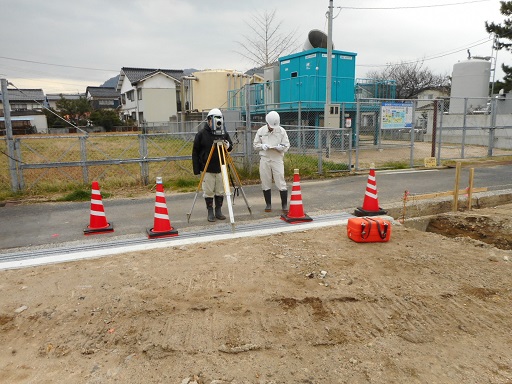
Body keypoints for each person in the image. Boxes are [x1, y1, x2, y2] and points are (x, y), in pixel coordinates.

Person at [192, 108, 233, 222]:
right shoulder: (201, 134)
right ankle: (210, 212)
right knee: (209, 191)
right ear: (209, 120)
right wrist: (197, 169)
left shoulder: (224, 133)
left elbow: (230, 147)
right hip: (207, 168)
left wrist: (227, 145)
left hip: (221, 167)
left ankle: (218, 210)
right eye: (214, 120)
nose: (216, 122)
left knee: (220, 190)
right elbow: (195, 152)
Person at [253, 110, 290, 213]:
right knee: (265, 181)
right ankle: (268, 204)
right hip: (265, 158)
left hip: (277, 158)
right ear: (267, 123)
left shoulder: (282, 131)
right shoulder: (260, 131)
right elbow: (255, 145)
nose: (272, 128)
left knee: (280, 180)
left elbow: (287, 145)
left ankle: (284, 205)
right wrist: (262, 146)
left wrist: (280, 147)